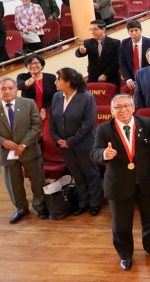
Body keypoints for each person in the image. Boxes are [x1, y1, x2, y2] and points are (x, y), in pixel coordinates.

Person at [91, 94, 150, 271]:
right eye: (118, 107)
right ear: (111, 110)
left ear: (133, 107)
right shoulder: (104, 129)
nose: (123, 110)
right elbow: (94, 152)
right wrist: (104, 155)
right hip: (118, 183)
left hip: (145, 179)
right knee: (121, 224)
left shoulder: (145, 124)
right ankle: (125, 254)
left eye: (126, 106)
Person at [0, 77, 47, 223]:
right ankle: (20, 209)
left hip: (29, 151)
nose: (7, 91)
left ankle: (40, 206)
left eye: (10, 88)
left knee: (37, 181)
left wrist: (23, 144)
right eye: (3, 89)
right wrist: (3, 142)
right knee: (13, 184)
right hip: (5, 153)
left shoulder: (28, 103)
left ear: (16, 89)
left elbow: (36, 126)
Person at [49, 67, 101, 216]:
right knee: (77, 174)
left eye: (58, 79)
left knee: (90, 173)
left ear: (69, 82)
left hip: (83, 143)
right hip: (64, 145)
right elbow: (53, 121)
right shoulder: (57, 97)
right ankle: (82, 201)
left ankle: (94, 203)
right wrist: (57, 139)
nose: (55, 82)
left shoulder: (86, 97)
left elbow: (88, 123)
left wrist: (71, 141)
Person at [76, 20, 121, 88]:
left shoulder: (115, 43)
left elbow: (117, 62)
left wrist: (105, 75)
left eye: (95, 29)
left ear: (103, 29)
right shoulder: (88, 42)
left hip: (111, 78)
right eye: (91, 29)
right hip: (93, 78)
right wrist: (81, 51)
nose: (92, 32)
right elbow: (78, 54)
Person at [120, 21, 150, 91]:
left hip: (148, 78)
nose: (134, 33)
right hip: (132, 79)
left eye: (136, 30)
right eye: (131, 31)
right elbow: (123, 63)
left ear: (141, 30)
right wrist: (128, 79)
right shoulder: (124, 43)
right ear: (128, 32)